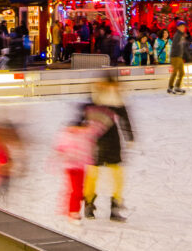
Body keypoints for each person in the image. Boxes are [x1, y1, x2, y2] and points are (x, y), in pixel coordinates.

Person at [79, 74, 134, 222]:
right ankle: (91, 204)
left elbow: (124, 119)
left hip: (105, 141)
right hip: (99, 141)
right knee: (96, 173)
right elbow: (83, 116)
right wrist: (129, 137)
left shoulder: (111, 100)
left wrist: (129, 136)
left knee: (112, 174)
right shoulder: (101, 99)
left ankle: (109, 206)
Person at [53, 115, 98, 218]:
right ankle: (73, 211)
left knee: (77, 189)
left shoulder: (81, 135)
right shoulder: (71, 135)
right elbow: (62, 149)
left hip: (79, 166)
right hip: (72, 167)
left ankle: (70, 209)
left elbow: (87, 150)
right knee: (76, 190)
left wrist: (90, 161)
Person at [167, 20, 190, 94]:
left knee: (182, 73)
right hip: (175, 56)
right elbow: (176, 46)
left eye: (184, 26)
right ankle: (170, 87)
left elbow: (182, 46)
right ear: (178, 27)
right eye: (181, 26)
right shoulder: (177, 35)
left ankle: (177, 86)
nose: (183, 28)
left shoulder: (181, 35)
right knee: (175, 72)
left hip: (179, 56)